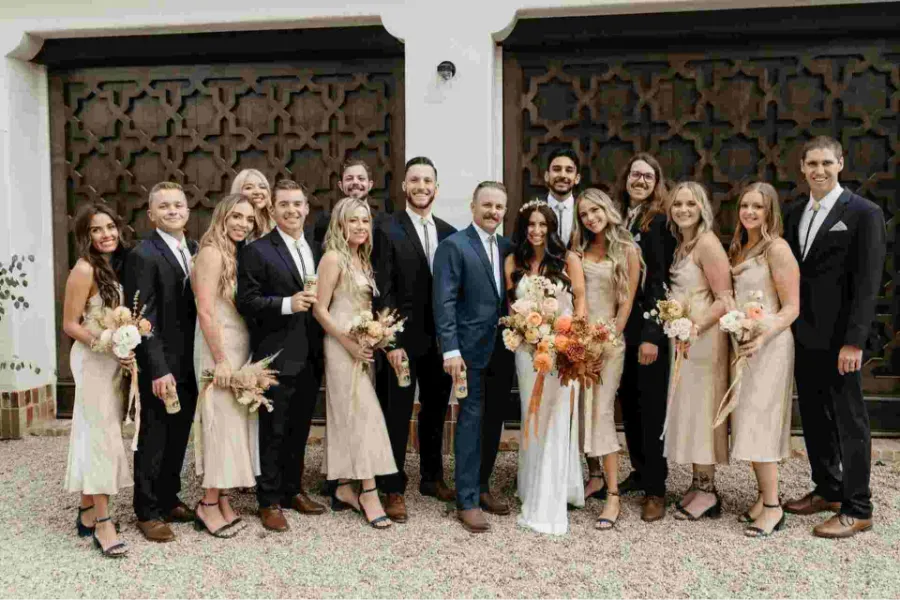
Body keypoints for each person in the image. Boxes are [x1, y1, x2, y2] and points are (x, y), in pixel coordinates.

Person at [782, 136, 886, 538]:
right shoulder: (795, 212)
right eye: (812, 164)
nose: (819, 170)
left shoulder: (863, 212)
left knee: (850, 422)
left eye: (827, 162)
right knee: (813, 417)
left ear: (841, 163)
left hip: (843, 340)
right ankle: (828, 488)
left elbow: (867, 283)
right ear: (803, 167)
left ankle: (858, 506)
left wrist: (855, 342)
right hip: (805, 335)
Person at [236, 179, 326, 532]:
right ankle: (269, 500)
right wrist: (288, 304)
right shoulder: (257, 250)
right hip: (276, 353)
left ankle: (293, 489)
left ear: (306, 208)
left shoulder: (318, 248)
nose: (291, 210)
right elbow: (247, 301)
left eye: (297, 204)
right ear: (272, 210)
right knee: (273, 430)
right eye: (284, 204)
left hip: (311, 353)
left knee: (300, 427)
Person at [433, 181, 516, 533]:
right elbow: (445, 301)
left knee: (494, 420)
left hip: (504, 349)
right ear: (473, 206)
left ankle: (482, 487)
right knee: (469, 421)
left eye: (499, 206)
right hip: (467, 352)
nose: (493, 212)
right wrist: (450, 349)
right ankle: (465, 499)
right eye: (487, 205)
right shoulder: (454, 246)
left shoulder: (509, 246)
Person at [378, 157, 457, 523]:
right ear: (404, 187)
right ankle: (392, 486)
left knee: (435, 410)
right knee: (397, 411)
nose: (421, 186)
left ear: (436, 188)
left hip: (439, 340)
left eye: (428, 180)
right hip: (402, 340)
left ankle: (431, 477)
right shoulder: (387, 228)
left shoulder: (449, 231)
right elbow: (383, 289)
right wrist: (391, 343)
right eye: (415, 180)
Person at [313, 197, 397, 529]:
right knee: (364, 416)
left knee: (352, 417)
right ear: (340, 224)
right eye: (353, 221)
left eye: (365, 221)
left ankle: (345, 487)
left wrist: (378, 334)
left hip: (362, 348)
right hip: (339, 346)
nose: (360, 226)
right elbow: (320, 309)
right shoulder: (333, 258)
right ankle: (369, 491)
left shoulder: (362, 259)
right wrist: (348, 343)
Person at [504, 200, 586, 534]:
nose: (537, 231)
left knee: (557, 417)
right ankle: (531, 483)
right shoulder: (514, 261)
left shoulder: (568, 260)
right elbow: (510, 306)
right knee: (532, 414)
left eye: (543, 225)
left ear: (552, 229)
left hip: (561, 348)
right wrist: (525, 330)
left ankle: (556, 490)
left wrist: (572, 341)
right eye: (530, 225)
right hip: (527, 351)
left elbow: (580, 303)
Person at [123, 182, 199, 543]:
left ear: (187, 211)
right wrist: (157, 368)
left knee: (179, 434)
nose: (172, 211)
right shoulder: (143, 254)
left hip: (191, 361)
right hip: (163, 363)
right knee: (155, 436)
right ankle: (147, 509)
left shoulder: (195, 249)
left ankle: (169, 497)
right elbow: (142, 318)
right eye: (163, 206)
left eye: (178, 205)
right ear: (151, 214)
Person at [727, 182, 799, 538]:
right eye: (745, 205)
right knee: (749, 421)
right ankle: (761, 497)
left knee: (762, 421)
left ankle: (773, 507)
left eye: (758, 207)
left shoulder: (777, 248)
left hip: (769, 347)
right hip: (745, 344)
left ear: (770, 211)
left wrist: (762, 334)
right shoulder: (740, 247)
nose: (750, 212)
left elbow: (791, 308)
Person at [62, 202, 133, 558]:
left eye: (110, 226)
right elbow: (70, 324)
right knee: (101, 435)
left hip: (110, 362)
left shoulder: (110, 267)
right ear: (84, 236)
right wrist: (104, 341)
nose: (106, 234)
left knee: (96, 431)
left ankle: (88, 510)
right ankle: (104, 523)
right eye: (96, 229)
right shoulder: (84, 269)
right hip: (91, 360)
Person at [570, 188, 641, 530]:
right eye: (584, 214)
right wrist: (581, 343)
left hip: (611, 340)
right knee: (582, 409)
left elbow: (626, 303)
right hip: (582, 339)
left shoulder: (627, 249)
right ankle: (594, 475)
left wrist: (607, 339)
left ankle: (614, 495)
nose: (590, 218)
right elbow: (578, 297)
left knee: (601, 412)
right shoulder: (580, 250)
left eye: (595, 210)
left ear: (607, 209)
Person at [613, 153, 677, 522]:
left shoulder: (658, 222)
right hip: (623, 329)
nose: (640, 181)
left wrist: (653, 333)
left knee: (651, 410)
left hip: (647, 331)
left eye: (648, 176)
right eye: (635, 174)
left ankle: (656, 487)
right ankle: (639, 470)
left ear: (657, 183)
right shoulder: (622, 217)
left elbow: (659, 283)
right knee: (631, 407)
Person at [663, 181, 732, 521]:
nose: (683, 209)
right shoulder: (682, 245)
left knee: (703, 412)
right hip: (685, 340)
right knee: (690, 410)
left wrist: (695, 327)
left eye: (691, 203)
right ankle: (697, 482)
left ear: (702, 207)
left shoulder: (707, 243)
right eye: (677, 204)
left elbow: (725, 299)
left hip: (704, 339)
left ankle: (708, 491)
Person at [191, 194, 259, 538]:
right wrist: (219, 359)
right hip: (219, 349)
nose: (242, 224)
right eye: (236, 216)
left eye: (249, 219)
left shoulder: (238, 252)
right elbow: (205, 309)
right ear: (222, 216)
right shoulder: (212, 253)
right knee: (219, 427)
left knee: (235, 427)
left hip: (239, 345)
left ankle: (223, 499)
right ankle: (207, 503)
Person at [543, 148, 581, 248]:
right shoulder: (533, 208)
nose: (562, 175)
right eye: (556, 169)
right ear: (547, 176)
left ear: (577, 178)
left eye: (569, 170)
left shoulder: (584, 209)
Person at [231, 169, 274, 235]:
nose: (257, 192)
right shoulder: (229, 223)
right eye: (249, 188)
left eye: (262, 187)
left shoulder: (278, 223)